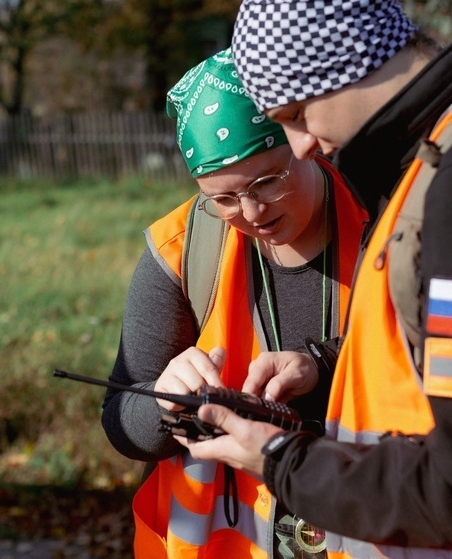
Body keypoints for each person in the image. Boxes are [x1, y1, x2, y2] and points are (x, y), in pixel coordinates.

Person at [173, 2, 452, 558]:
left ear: (342, 62)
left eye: (296, 114)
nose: (301, 146)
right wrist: (323, 364)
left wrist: (280, 459)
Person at [100, 47, 367, 559]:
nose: (251, 212)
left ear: (302, 141)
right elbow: (119, 418)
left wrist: (324, 365)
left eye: (267, 182)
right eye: (221, 199)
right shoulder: (181, 251)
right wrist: (161, 401)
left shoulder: (385, 223)